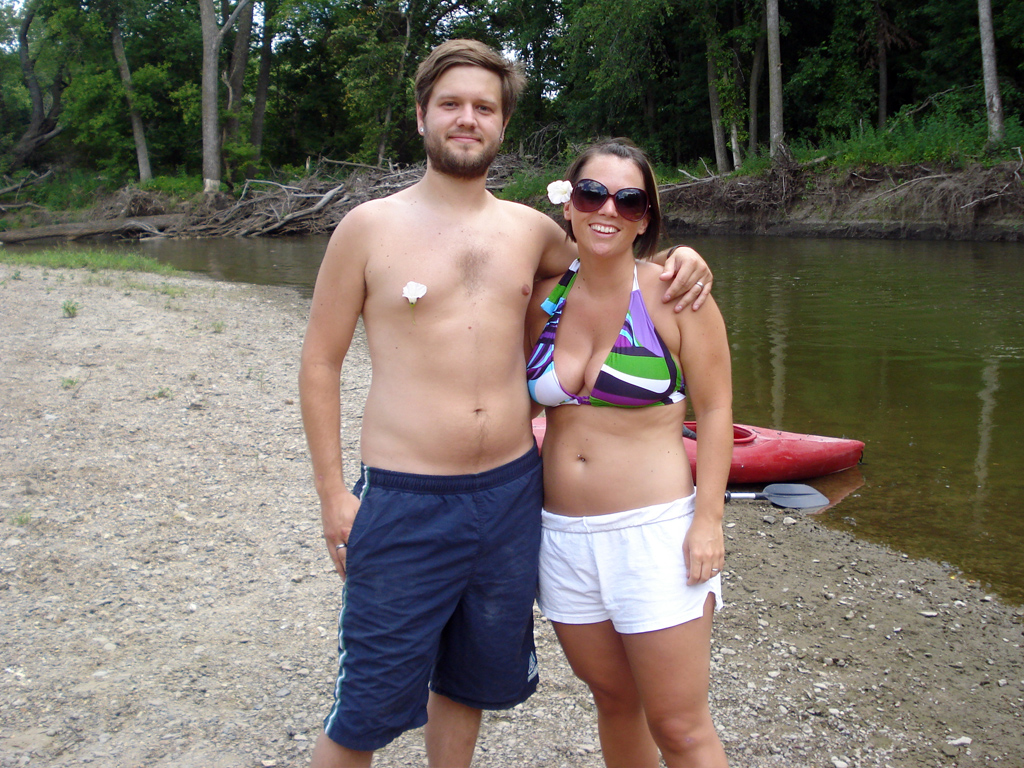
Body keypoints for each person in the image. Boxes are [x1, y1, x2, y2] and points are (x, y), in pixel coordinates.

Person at [299, 40, 713, 768]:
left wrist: (681, 260)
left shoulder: (531, 231)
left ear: (503, 124)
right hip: (406, 494)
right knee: (366, 703)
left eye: (483, 107)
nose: (467, 118)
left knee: (469, 684)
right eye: (451, 104)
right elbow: (320, 363)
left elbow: (610, 257)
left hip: (511, 498)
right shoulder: (367, 228)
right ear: (422, 114)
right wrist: (334, 494)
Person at [525, 138, 732, 768]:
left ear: (645, 218)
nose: (608, 209)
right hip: (563, 539)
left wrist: (709, 520)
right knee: (614, 701)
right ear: (568, 205)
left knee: (680, 726)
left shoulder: (676, 295)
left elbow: (715, 411)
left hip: (655, 537)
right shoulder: (543, 299)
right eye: (592, 193)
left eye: (629, 199)